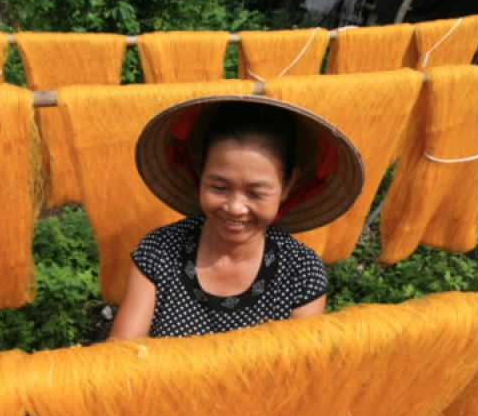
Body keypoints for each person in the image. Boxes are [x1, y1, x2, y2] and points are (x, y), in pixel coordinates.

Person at [110, 95, 364, 340]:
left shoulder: (300, 272)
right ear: (200, 173)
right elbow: (122, 356)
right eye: (219, 188)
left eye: (256, 193)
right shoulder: (160, 253)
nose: (235, 207)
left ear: (288, 185)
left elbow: (300, 373)